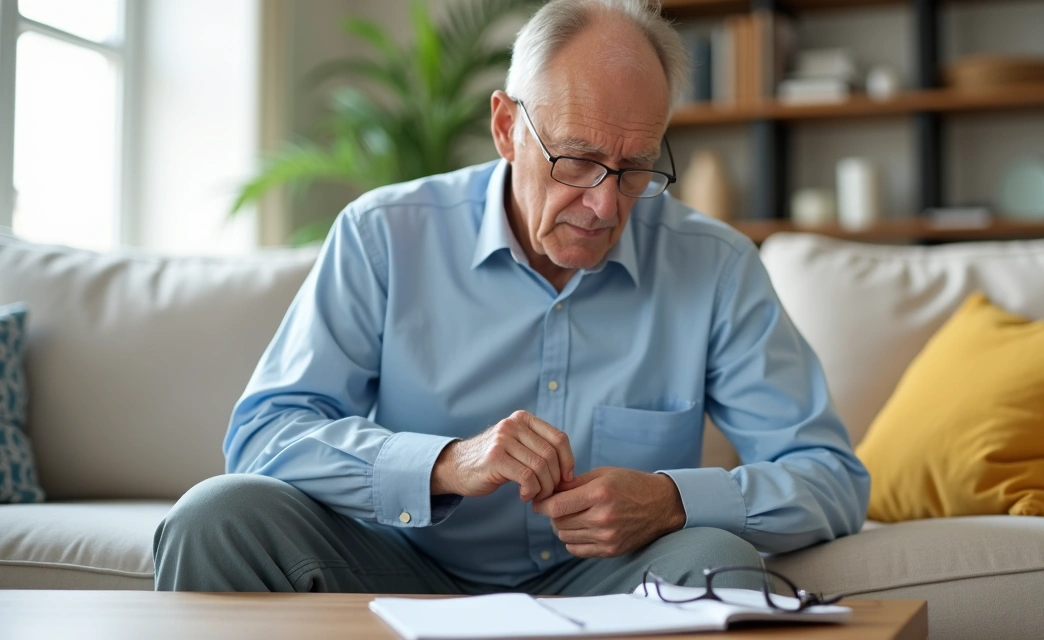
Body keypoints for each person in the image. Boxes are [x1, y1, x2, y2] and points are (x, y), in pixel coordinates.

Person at [153, 0, 869, 595]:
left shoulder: (715, 266)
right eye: (578, 159)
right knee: (217, 518)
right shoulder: (383, 234)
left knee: (716, 564)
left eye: (635, 168)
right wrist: (443, 465)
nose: (603, 203)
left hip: (608, 580)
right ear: (505, 128)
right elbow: (265, 435)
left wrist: (675, 501)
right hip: (395, 566)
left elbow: (831, 479)